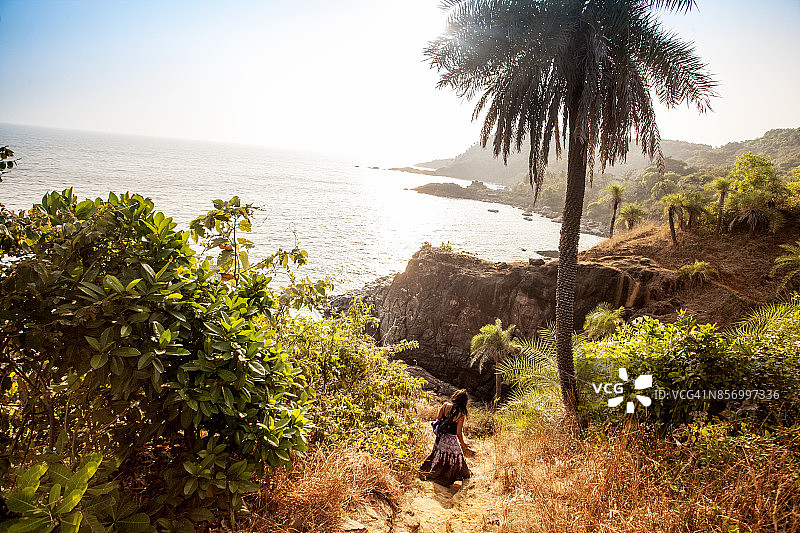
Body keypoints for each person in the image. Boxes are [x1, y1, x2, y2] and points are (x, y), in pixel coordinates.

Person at [420, 389, 474, 487]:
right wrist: (463, 444)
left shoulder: (445, 406)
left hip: (441, 437)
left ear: (455, 397)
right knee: (456, 458)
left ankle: (429, 471)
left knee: (437, 455)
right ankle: (452, 476)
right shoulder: (460, 415)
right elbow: (458, 433)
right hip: (451, 440)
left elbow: (438, 420)